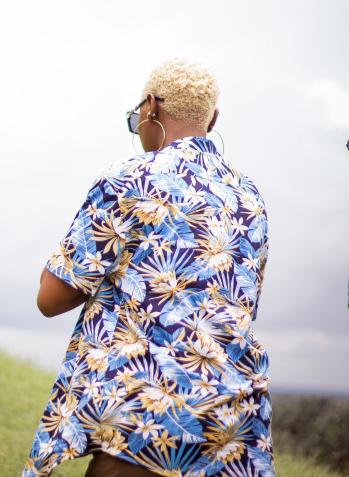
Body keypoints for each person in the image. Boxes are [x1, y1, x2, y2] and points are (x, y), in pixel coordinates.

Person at [22, 57, 274, 477]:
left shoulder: (130, 178)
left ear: (149, 107)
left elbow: (51, 298)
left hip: (145, 419)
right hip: (231, 428)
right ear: (212, 120)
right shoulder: (250, 198)